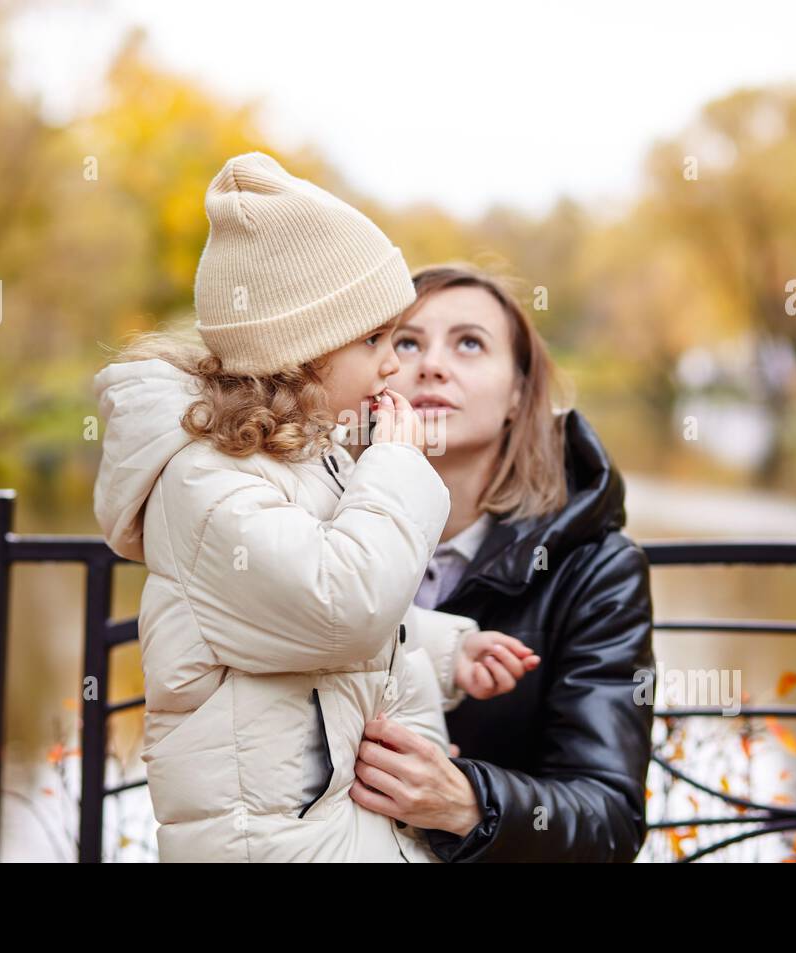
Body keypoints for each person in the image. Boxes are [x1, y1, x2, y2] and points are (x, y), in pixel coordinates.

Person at [91, 154, 537, 862]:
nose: (395, 365)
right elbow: (337, 605)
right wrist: (397, 464)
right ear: (298, 353)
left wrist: (450, 649)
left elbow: (329, 600)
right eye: (374, 340)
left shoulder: (300, 457)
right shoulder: (207, 481)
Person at [348, 264, 657, 862]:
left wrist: (464, 803)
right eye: (405, 342)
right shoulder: (316, 527)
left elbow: (609, 821)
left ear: (518, 394)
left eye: (469, 343)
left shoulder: (595, 569)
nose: (431, 365)